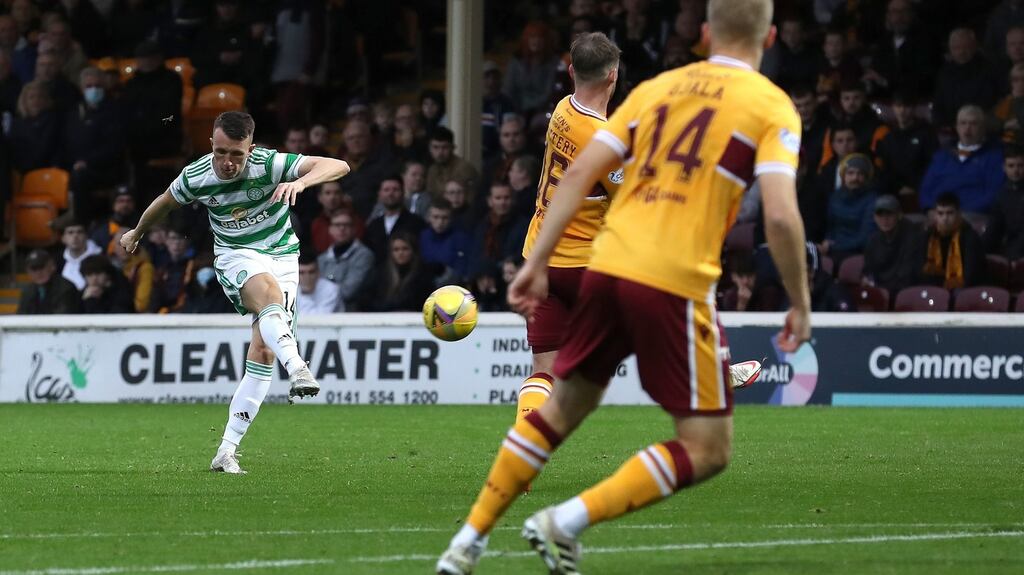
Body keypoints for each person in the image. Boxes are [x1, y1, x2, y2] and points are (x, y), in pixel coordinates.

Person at [436, 1, 812, 571]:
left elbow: (582, 174)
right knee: (707, 449)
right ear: (773, 36)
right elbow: (781, 218)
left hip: (601, 261)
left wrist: (536, 260)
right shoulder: (771, 105)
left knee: (561, 397)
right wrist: (801, 304)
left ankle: (468, 541)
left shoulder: (654, 92)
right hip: (659, 271)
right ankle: (565, 520)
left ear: (705, 33)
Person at [119, 111, 349, 474]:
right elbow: (165, 201)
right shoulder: (197, 175)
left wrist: (302, 183)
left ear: (250, 149)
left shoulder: (269, 164)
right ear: (211, 143)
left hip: (284, 255)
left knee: (262, 351)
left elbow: (339, 165)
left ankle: (226, 450)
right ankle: (300, 367)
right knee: (269, 297)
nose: (227, 162)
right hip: (235, 255)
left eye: (236, 155)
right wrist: (137, 231)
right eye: (221, 152)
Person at [17, 249, 80, 315]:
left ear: (52, 266)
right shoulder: (28, 291)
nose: (38, 272)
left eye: (41, 267)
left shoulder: (66, 288)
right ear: (28, 272)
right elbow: (21, 315)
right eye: (34, 268)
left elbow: (63, 317)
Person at [297, 249, 341, 314]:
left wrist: (305, 293)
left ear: (318, 273)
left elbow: (317, 319)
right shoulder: (288, 288)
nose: (307, 277)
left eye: (311, 272)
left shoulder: (331, 289)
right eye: (301, 273)